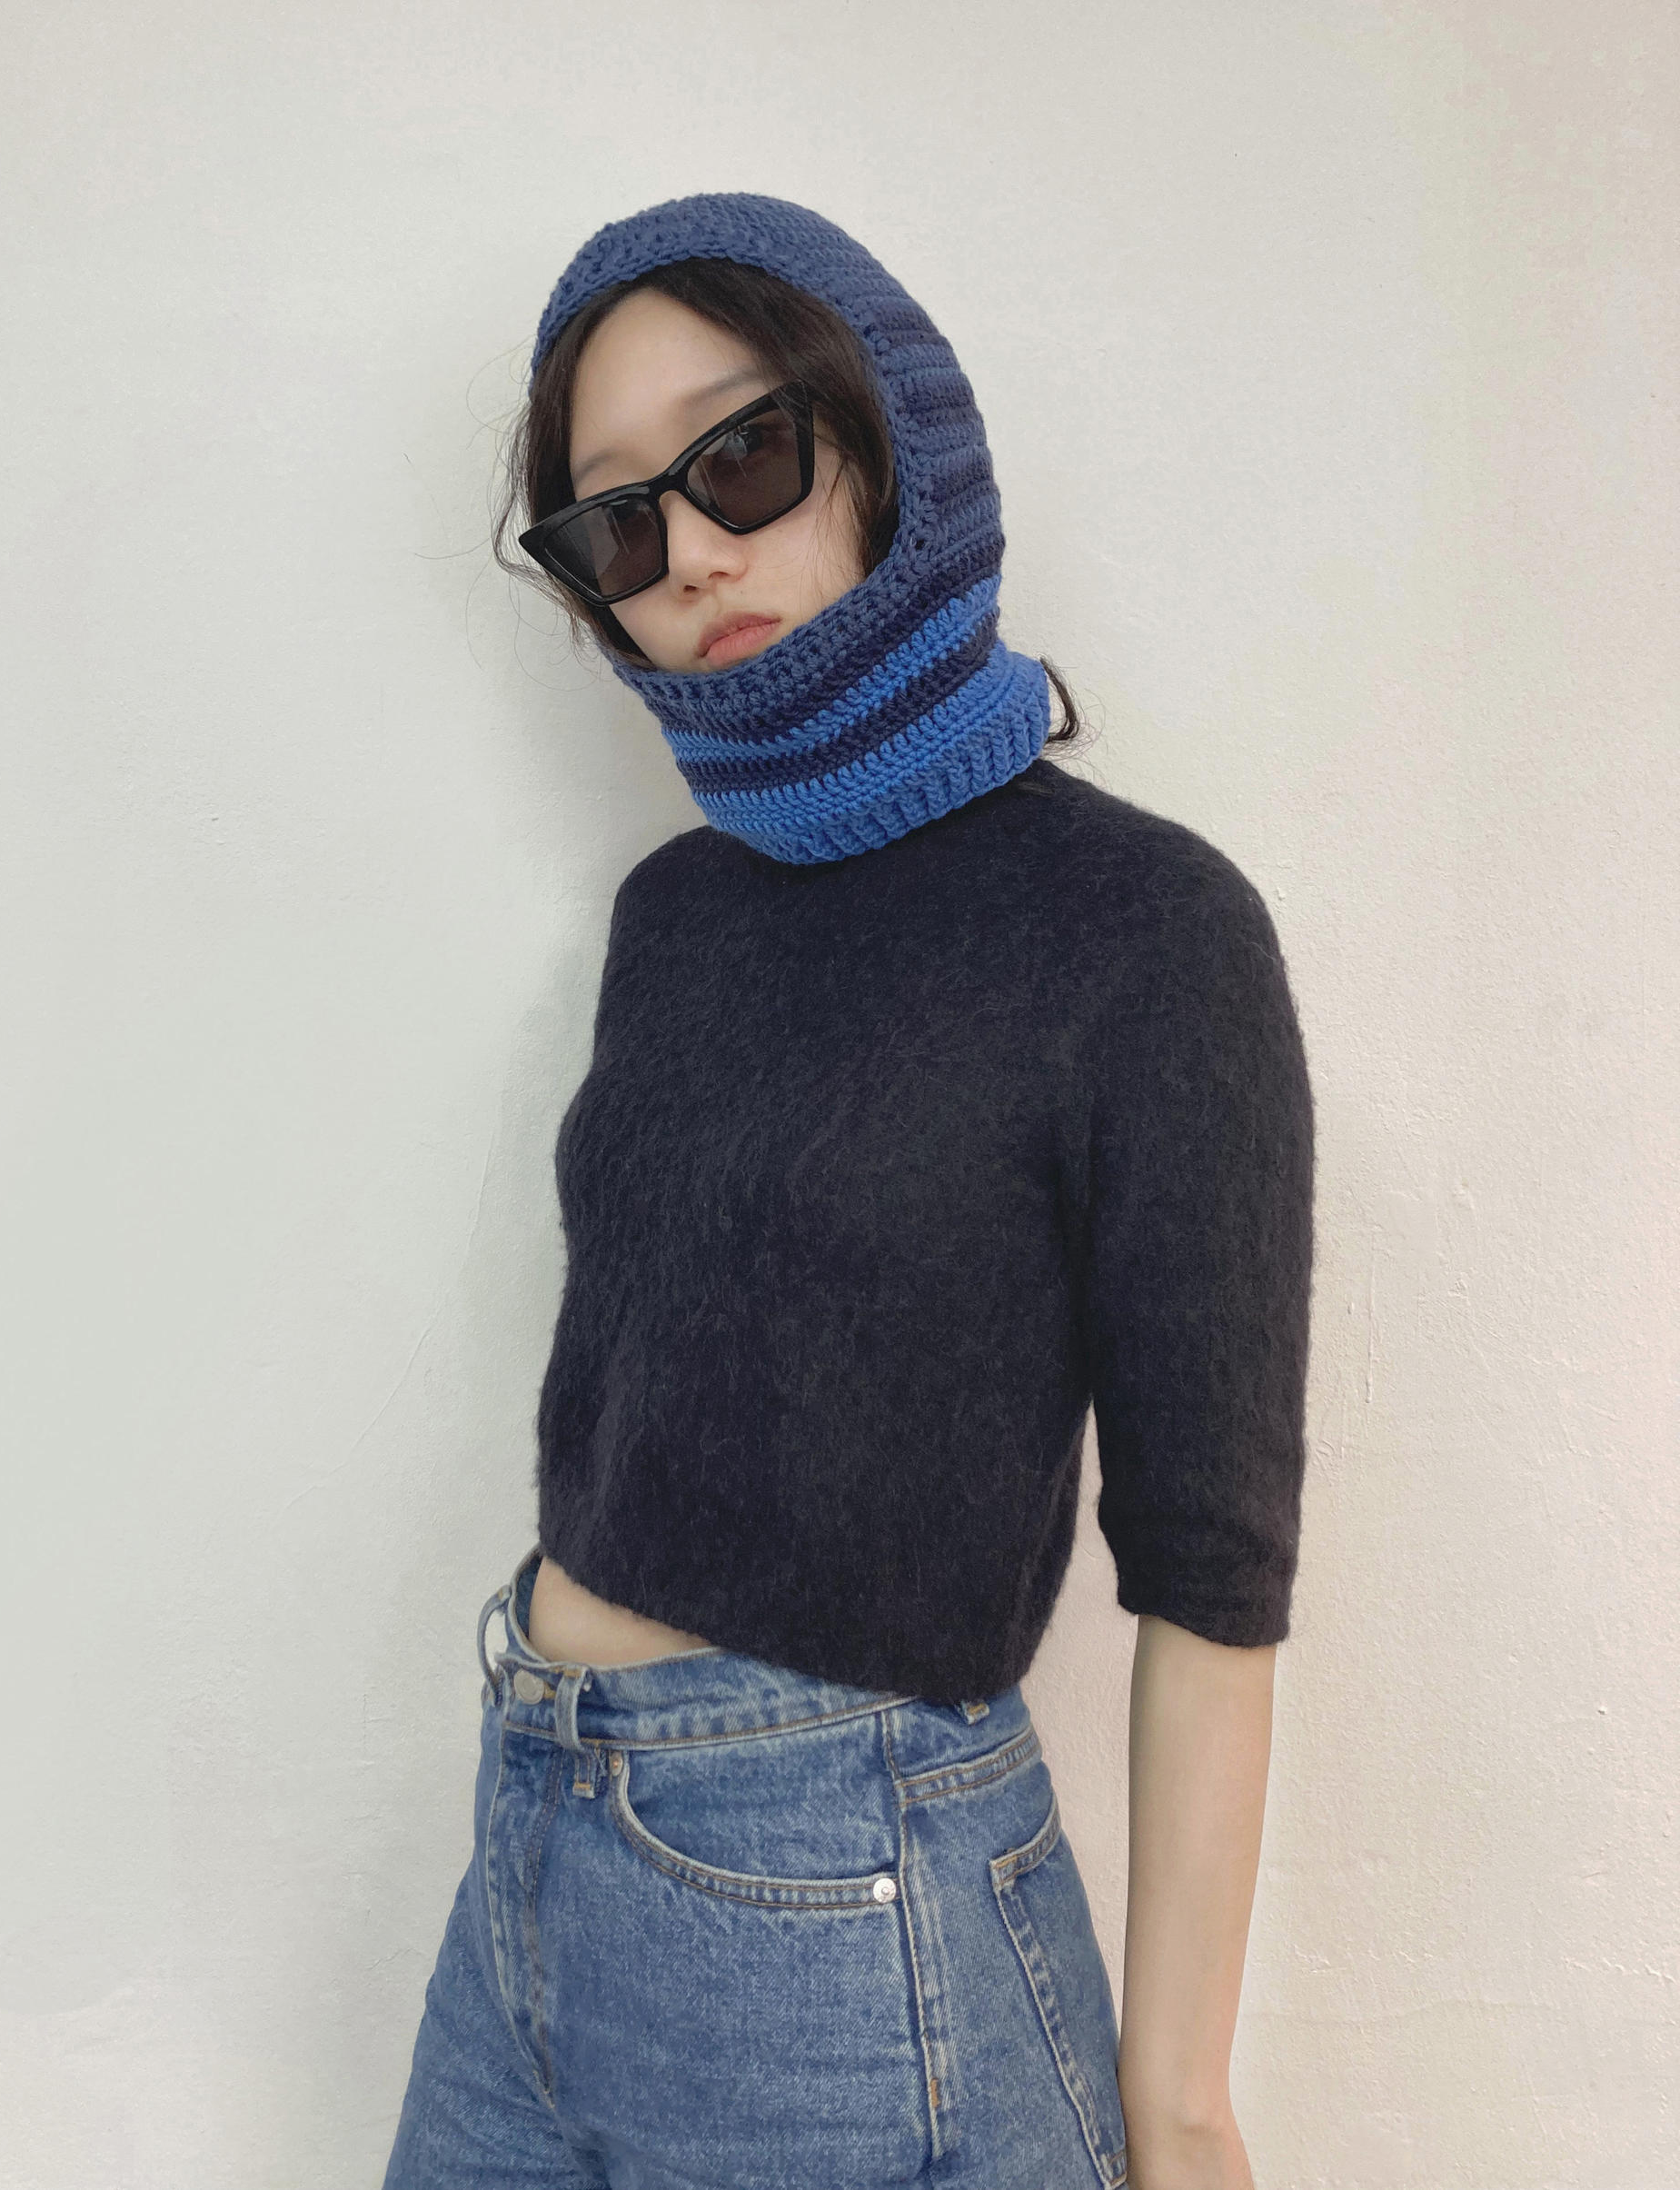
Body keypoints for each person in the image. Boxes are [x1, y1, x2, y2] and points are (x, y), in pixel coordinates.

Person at [383, 193, 1317, 2190]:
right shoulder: (676, 916)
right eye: (615, 526)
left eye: (741, 455)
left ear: (890, 435)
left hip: (835, 1903)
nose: (690, 553)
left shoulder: (1145, 930)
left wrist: (1179, 2101)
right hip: (530, 1842)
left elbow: (1212, 1569)